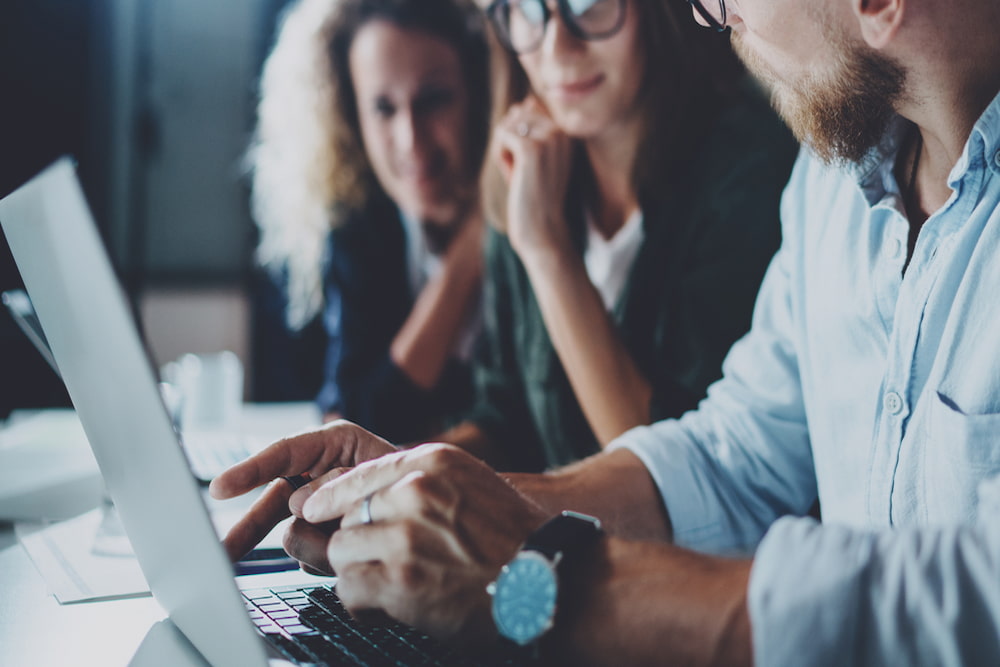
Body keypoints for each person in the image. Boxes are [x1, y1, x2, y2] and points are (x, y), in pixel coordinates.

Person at [213, 0, 1000, 664]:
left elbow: (976, 595)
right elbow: (737, 458)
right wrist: (434, 499)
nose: (706, 14)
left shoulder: (752, 162)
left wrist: (549, 585)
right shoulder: (833, 177)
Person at [437, 0, 796, 470]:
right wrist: (390, 473)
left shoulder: (747, 167)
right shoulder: (525, 161)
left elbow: (678, 473)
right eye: (527, 8)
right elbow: (506, 421)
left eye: (587, 4)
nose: (558, 46)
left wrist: (548, 250)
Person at [248, 0, 491, 442]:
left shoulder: (539, 214)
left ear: (478, 92)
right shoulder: (360, 221)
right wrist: (466, 258)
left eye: (433, 99)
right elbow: (356, 418)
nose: (410, 139)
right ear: (349, 116)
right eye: (383, 108)